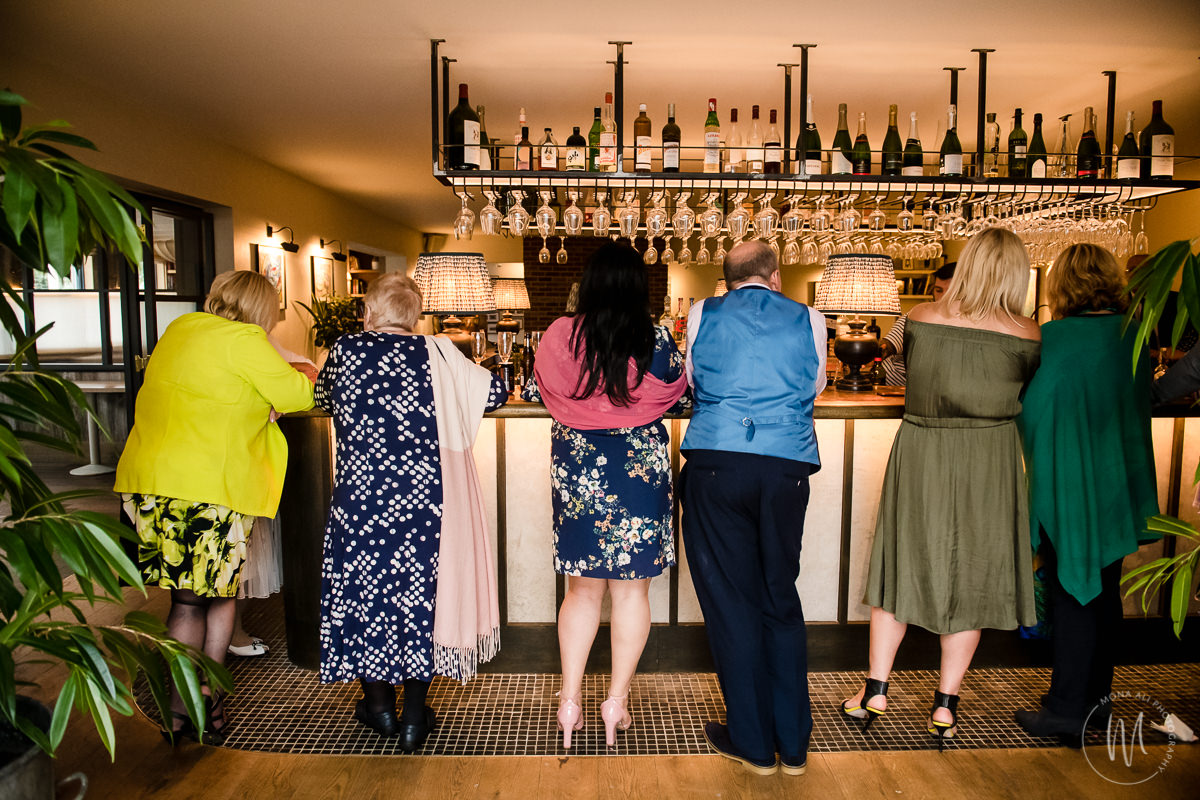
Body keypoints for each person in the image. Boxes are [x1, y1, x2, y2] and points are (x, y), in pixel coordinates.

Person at [843, 227, 1041, 750]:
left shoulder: (921, 318)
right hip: (991, 458)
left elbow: (900, 370)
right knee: (972, 576)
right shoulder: (1028, 333)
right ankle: (946, 705)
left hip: (923, 449)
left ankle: (875, 691)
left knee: (900, 565)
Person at [114, 269, 315, 744]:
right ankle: (209, 695)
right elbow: (299, 394)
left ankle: (179, 708)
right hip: (210, 489)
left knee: (185, 600)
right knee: (220, 594)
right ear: (261, 309)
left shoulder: (180, 329)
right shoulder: (247, 341)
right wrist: (298, 374)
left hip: (151, 483)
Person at [316, 274, 507, 752]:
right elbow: (495, 394)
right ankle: (414, 719)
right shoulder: (437, 352)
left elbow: (320, 400)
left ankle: (379, 708)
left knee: (366, 594)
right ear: (414, 316)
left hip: (362, 499)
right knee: (420, 599)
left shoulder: (345, 350)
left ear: (369, 313)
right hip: (425, 501)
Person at [522, 241, 688, 749]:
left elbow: (534, 391)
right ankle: (616, 701)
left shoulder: (560, 335)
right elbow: (681, 393)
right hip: (639, 475)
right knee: (632, 593)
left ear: (589, 284)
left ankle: (569, 701)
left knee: (581, 592)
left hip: (580, 475)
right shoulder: (656, 338)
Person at [680, 240, 827, 776]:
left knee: (733, 604)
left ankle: (753, 744)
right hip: (785, 469)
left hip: (717, 465)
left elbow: (692, 382)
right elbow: (814, 385)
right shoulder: (810, 318)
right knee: (779, 599)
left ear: (727, 280)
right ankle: (793, 745)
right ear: (776, 276)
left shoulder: (702, 313)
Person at [1014, 244, 1159, 744]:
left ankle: (1065, 711)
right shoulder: (1134, 333)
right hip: (1119, 479)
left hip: (1070, 481)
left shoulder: (1052, 338)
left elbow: (1031, 407)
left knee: (1072, 593)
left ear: (1061, 287)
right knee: (1105, 591)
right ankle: (1098, 701)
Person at [229, 337, 319, 658]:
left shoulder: (195, 339)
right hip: (237, 459)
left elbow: (308, 369)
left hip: (230, 460)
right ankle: (229, 635)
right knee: (237, 559)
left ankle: (222, 640)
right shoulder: (247, 341)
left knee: (236, 561)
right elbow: (303, 387)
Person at [879, 261, 956, 386]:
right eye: (938, 290)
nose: (943, 298)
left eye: (951, 292)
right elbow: (887, 345)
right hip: (893, 382)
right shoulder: (920, 315)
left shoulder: (971, 323)